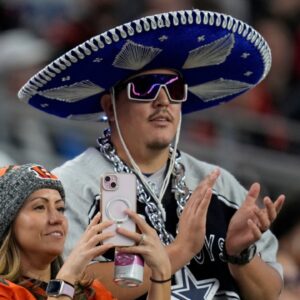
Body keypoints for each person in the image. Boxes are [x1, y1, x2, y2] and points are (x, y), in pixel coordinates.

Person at [18, 9, 285, 300]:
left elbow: (269, 293)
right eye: (145, 88)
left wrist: (239, 255)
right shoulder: (69, 187)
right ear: (109, 107)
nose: (163, 101)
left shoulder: (219, 185)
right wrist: (181, 250)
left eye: (174, 88)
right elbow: (69, 283)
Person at [0, 164, 171, 299]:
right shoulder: (4, 292)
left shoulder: (92, 293)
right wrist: (68, 275)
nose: (57, 219)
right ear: (7, 220)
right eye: (39, 207)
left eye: (60, 208)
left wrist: (161, 271)